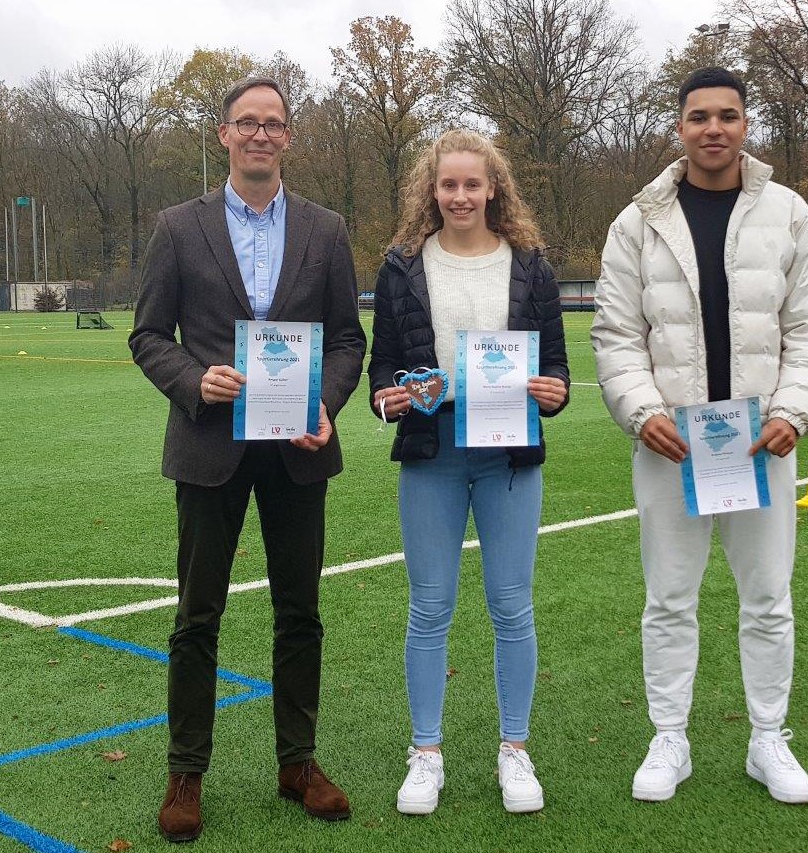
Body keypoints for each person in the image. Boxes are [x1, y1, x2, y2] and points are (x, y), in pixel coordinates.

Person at [590, 66, 808, 806]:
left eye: (726, 116)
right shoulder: (637, 220)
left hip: (761, 444)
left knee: (767, 598)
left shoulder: (787, 213)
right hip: (672, 444)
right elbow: (615, 333)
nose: (712, 129)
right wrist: (642, 411)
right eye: (698, 116)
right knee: (668, 599)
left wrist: (792, 411)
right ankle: (669, 736)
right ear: (678, 127)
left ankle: (768, 737)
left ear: (744, 125)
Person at [129, 75, 366, 842]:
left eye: (274, 123)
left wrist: (326, 405)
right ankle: (186, 772)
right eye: (246, 123)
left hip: (297, 450)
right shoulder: (177, 225)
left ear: (289, 136)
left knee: (300, 612)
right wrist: (195, 381)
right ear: (224, 134)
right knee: (198, 616)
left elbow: (347, 339)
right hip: (210, 447)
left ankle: (297, 763)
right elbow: (146, 335)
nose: (260, 134)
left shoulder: (326, 229)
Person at [367, 129, 570, 816]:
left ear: (493, 190)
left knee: (511, 605)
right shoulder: (400, 266)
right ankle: (425, 752)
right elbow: (383, 365)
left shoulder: (531, 265)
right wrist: (386, 395)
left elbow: (557, 366)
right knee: (429, 608)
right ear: (432, 189)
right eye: (447, 184)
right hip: (433, 455)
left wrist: (554, 391)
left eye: (471, 184)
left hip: (509, 456)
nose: (459, 195)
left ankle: (515, 748)